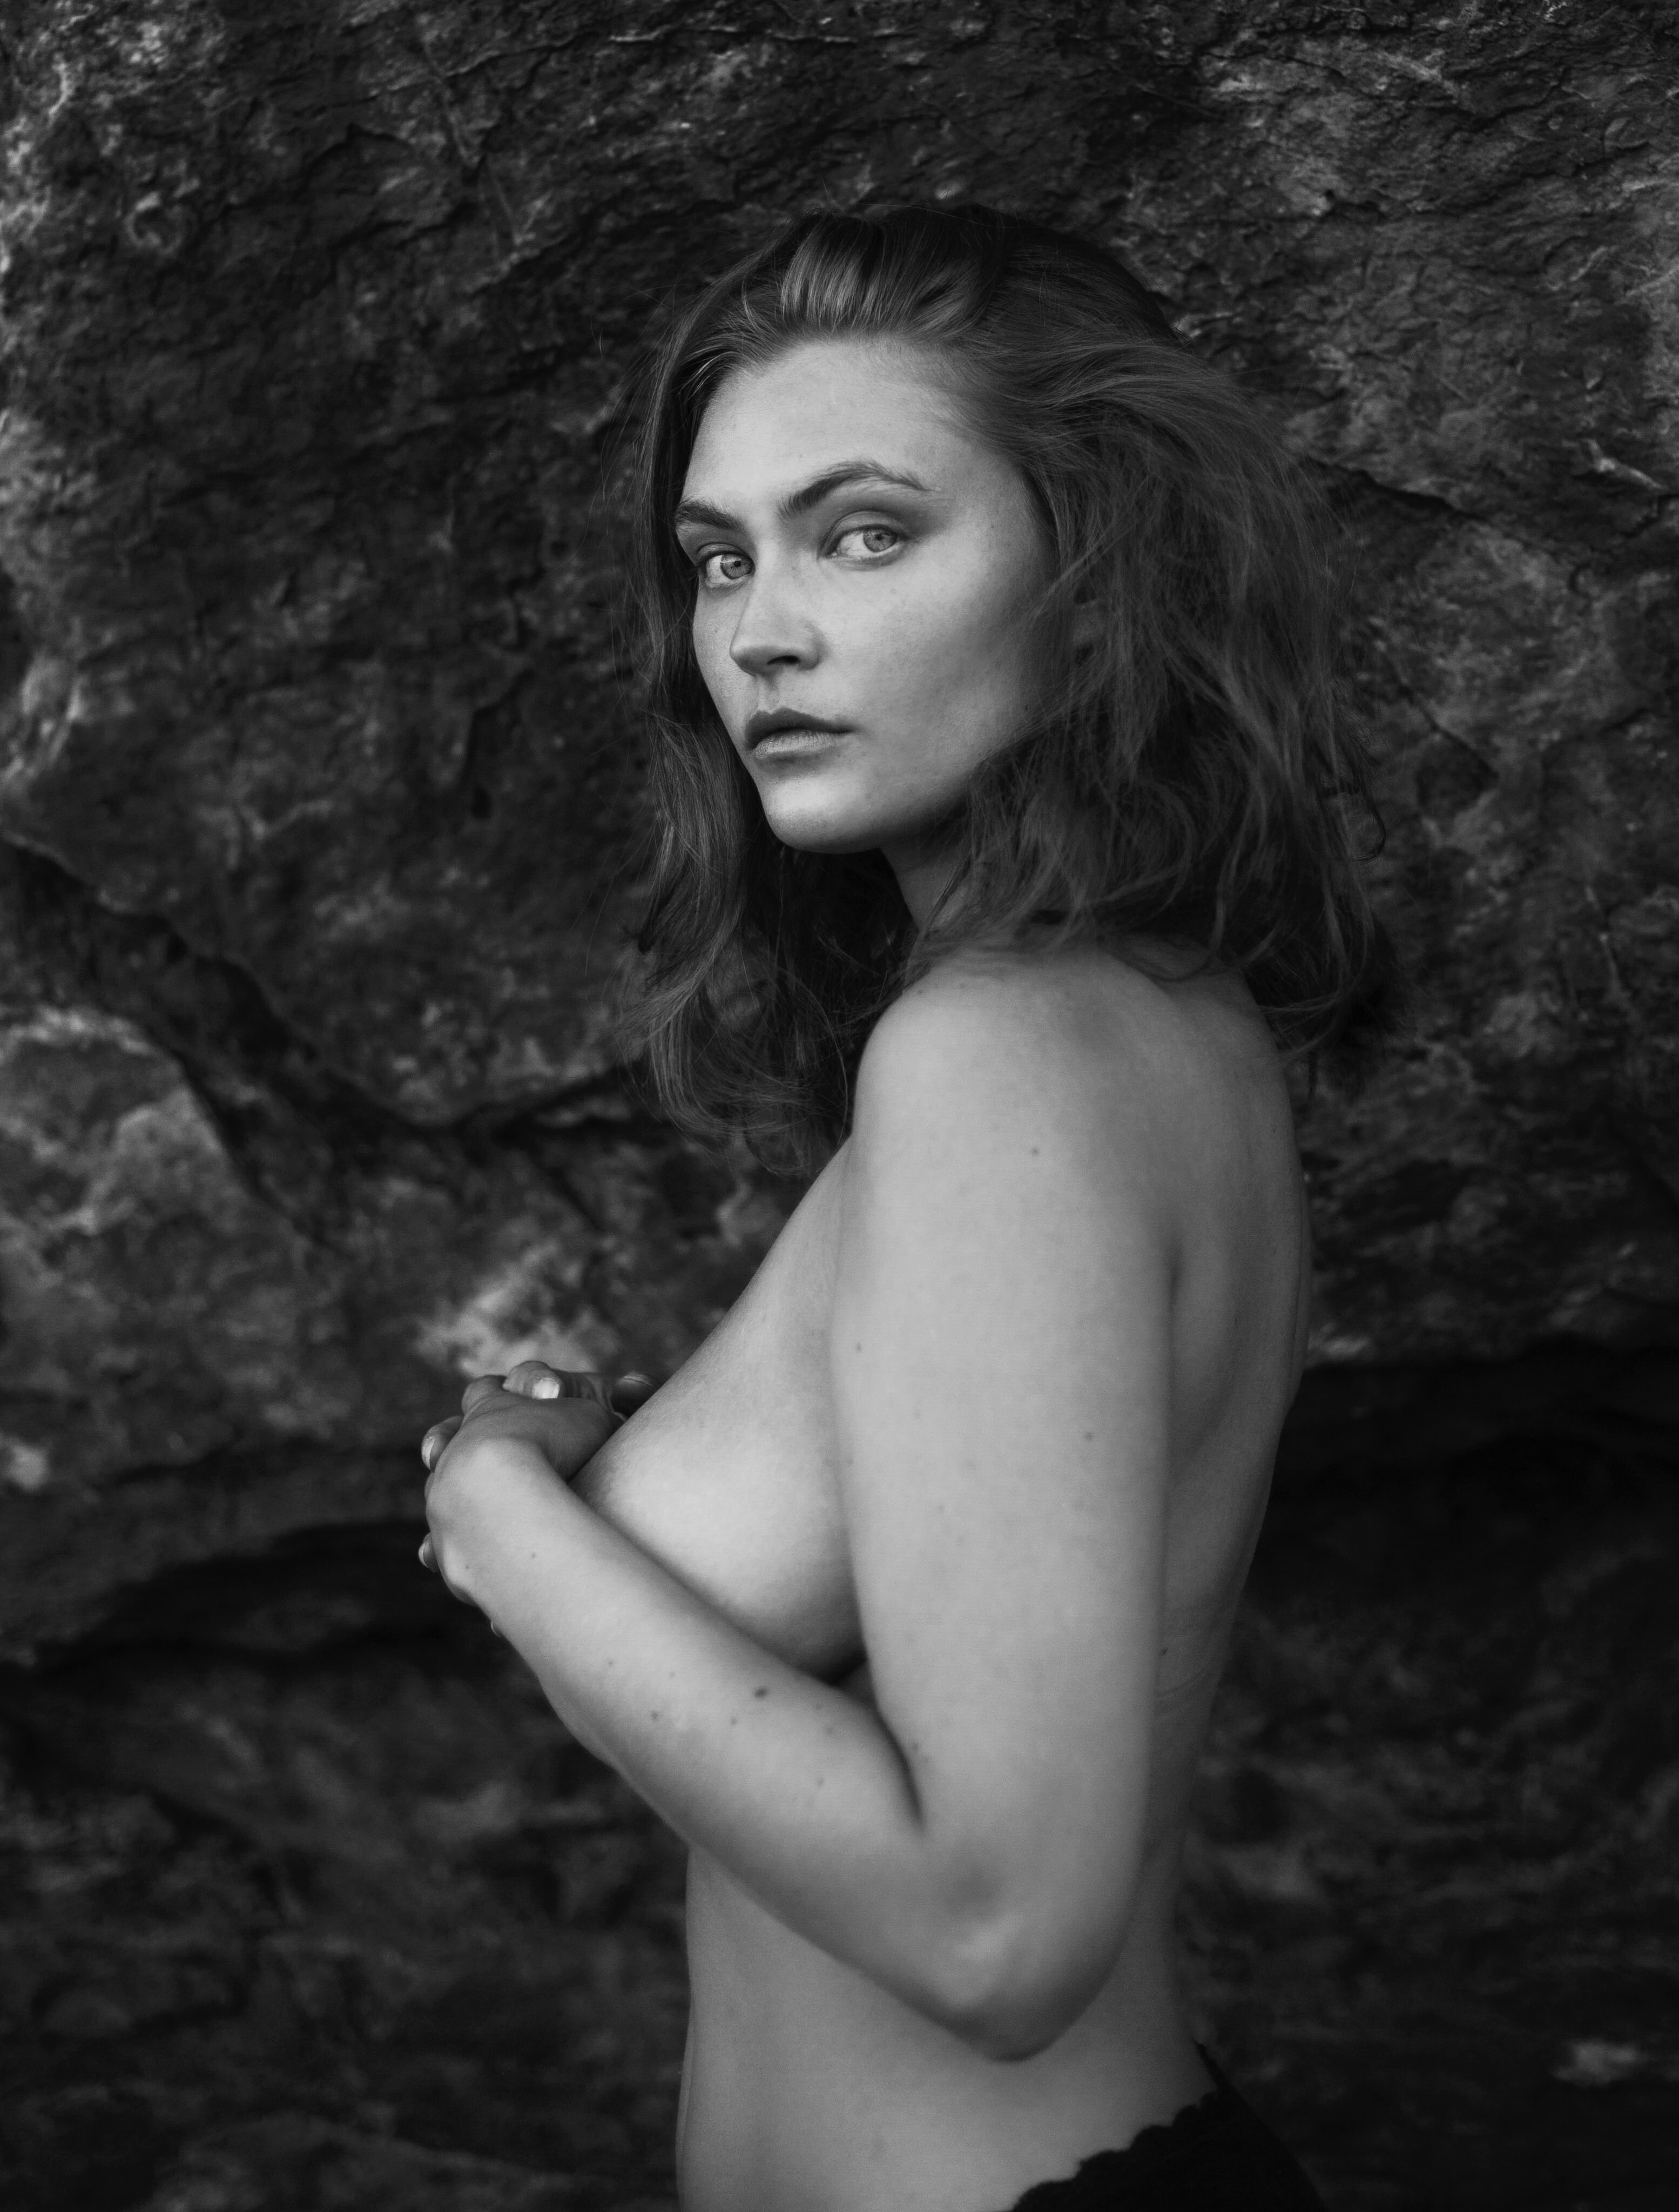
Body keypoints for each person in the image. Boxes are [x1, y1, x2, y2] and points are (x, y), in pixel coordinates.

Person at [419, 205, 1395, 2210]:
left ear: (1098, 577)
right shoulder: (1148, 1027)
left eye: (864, 534)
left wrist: (501, 1517)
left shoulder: (998, 1062)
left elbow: (997, 1932)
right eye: (721, 558)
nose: (761, 633)